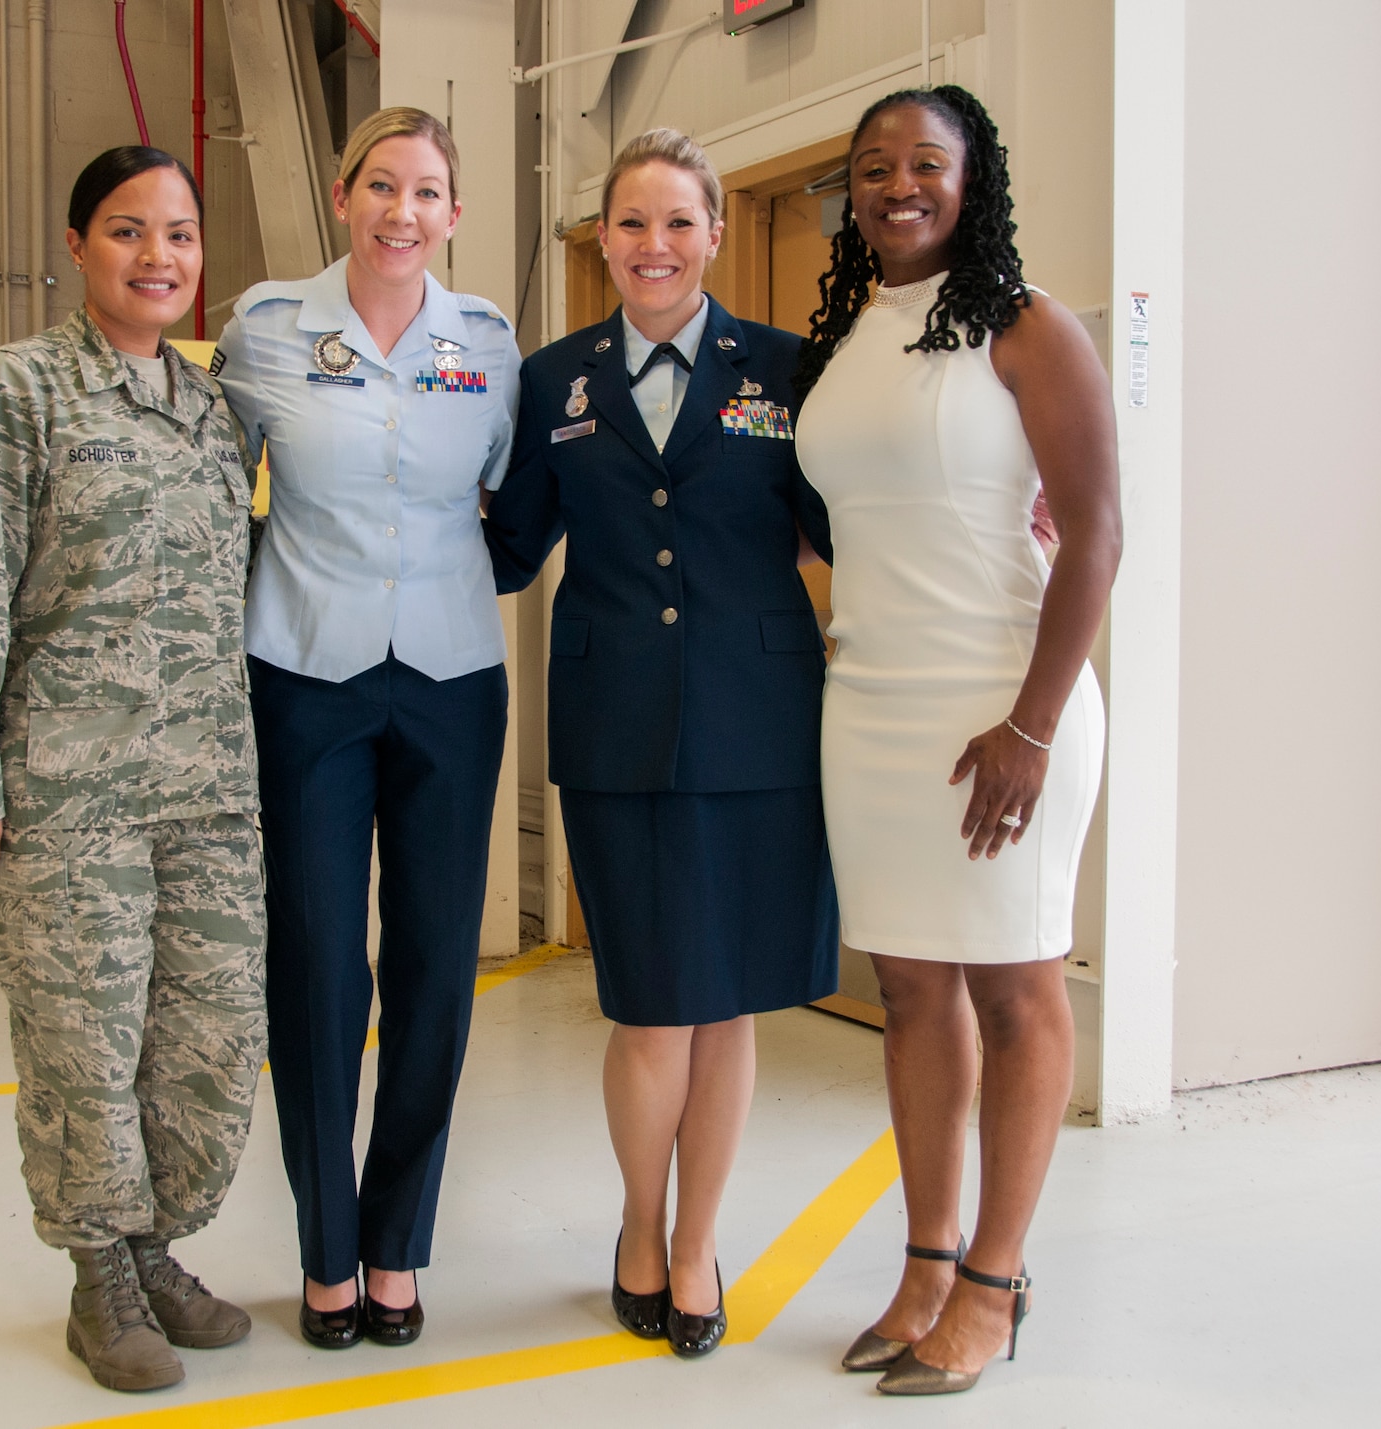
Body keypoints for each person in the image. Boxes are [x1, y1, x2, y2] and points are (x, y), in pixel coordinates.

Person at [0, 146, 264, 1394]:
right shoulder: (17, 391)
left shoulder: (215, 411)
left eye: (179, 233)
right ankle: (98, 1273)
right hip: (64, 795)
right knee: (82, 1048)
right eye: (126, 230)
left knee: (202, 1038)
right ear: (76, 247)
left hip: (206, 788)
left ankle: (157, 1246)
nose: (158, 256)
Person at [485, 128, 839, 1360]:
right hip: (615, 726)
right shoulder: (551, 381)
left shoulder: (786, 368)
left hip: (758, 728)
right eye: (630, 224)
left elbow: (844, 519)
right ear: (603, 239)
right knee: (648, 1006)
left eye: (677, 222)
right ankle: (641, 1224)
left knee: (727, 1003)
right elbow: (508, 544)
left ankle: (698, 1246)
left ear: (715, 231)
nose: (654, 247)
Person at [793, 85, 1122, 1397]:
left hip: (1005, 704)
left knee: (1016, 982)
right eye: (874, 167)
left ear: (974, 180)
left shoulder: (1030, 330)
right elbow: (831, 517)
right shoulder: (844, 337)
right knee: (913, 989)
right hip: (872, 708)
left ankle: (996, 1277)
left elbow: (1095, 533)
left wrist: (1034, 725)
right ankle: (927, 1261)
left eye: (927, 162)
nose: (898, 183)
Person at [209, 106, 518, 1350]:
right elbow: (204, 489)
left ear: (452, 213)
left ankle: (396, 1245)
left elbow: (518, 491)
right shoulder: (266, 330)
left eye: (427, 192)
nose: (403, 211)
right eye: (381, 186)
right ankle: (324, 1251)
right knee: (322, 967)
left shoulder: (486, 344)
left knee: (438, 967)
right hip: (307, 674)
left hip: (450, 673)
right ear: (342, 196)